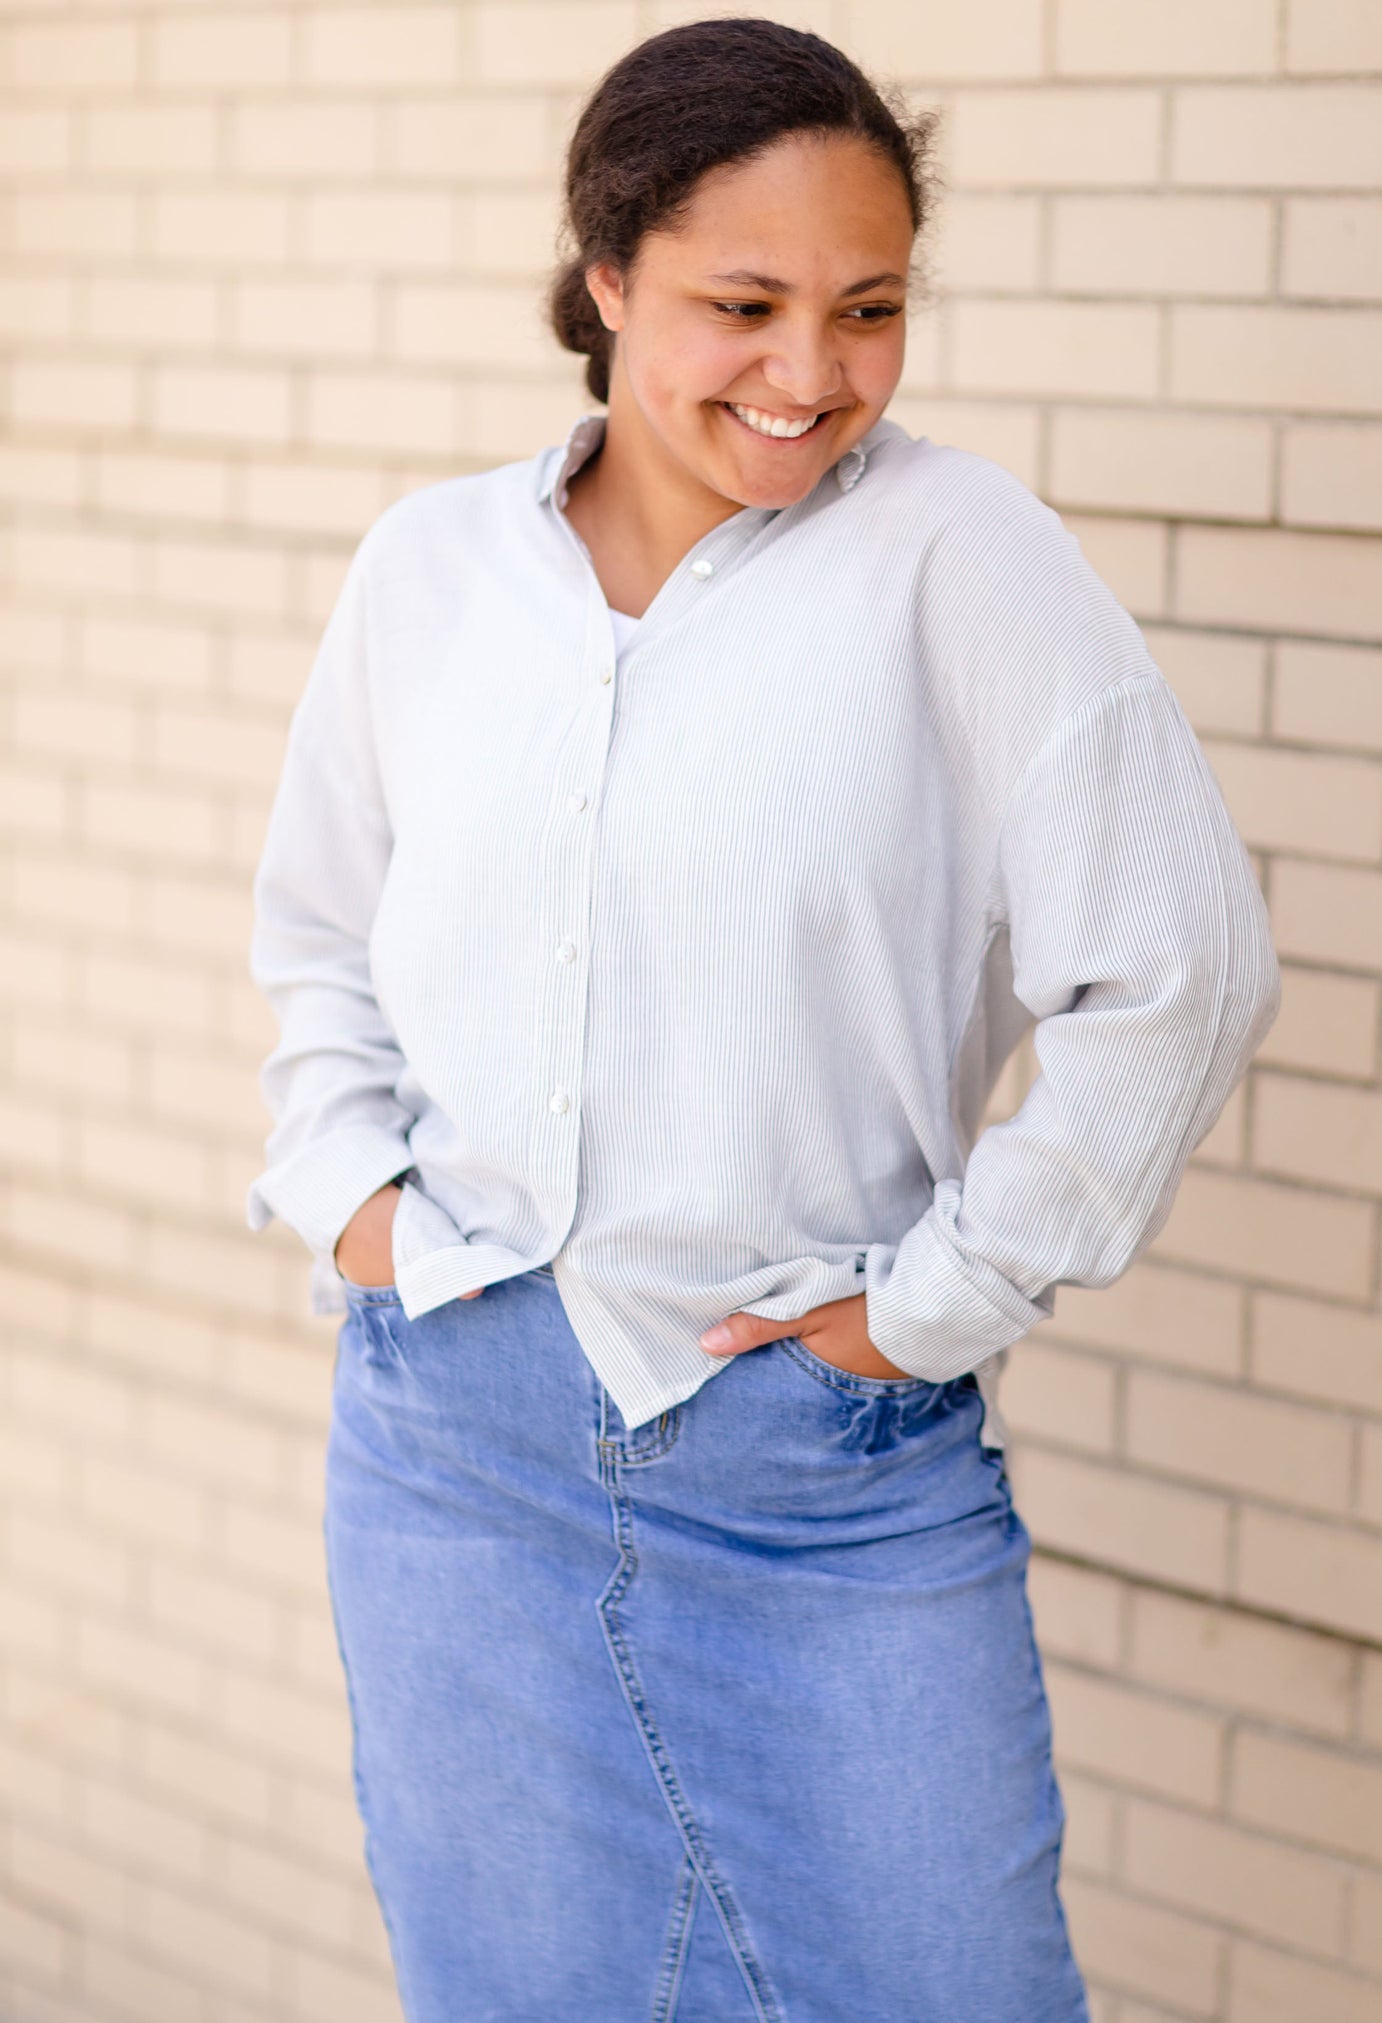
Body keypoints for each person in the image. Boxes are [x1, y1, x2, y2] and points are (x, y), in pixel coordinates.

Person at [245, 17, 1280, 2022]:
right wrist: (352, 1192)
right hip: (451, 1456)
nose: (812, 374)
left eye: (870, 308)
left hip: (827, 1482)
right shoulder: (431, 572)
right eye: (746, 303)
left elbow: (1185, 963)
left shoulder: (957, 556)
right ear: (608, 274)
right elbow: (317, 936)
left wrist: (939, 1302)